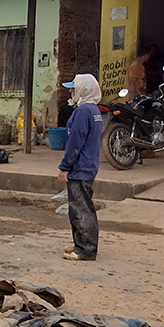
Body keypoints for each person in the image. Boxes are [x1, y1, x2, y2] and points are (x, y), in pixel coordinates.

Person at [58, 74, 103, 262]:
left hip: (80, 167)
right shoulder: (94, 110)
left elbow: (75, 142)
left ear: (83, 90)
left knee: (80, 209)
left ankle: (86, 249)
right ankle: (81, 244)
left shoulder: (83, 111)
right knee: (84, 206)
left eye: (73, 88)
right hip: (89, 165)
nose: (70, 91)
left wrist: (64, 166)